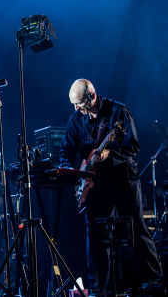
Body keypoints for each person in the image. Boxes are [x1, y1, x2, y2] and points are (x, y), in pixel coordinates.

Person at [59, 79, 163, 295]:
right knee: (94, 233)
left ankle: (154, 280)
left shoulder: (119, 112)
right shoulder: (76, 117)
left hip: (123, 179)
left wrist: (111, 154)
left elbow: (133, 146)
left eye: (80, 104)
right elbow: (66, 149)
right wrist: (72, 171)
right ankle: (99, 288)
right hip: (95, 182)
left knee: (135, 228)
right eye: (75, 106)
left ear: (92, 96)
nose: (77, 109)